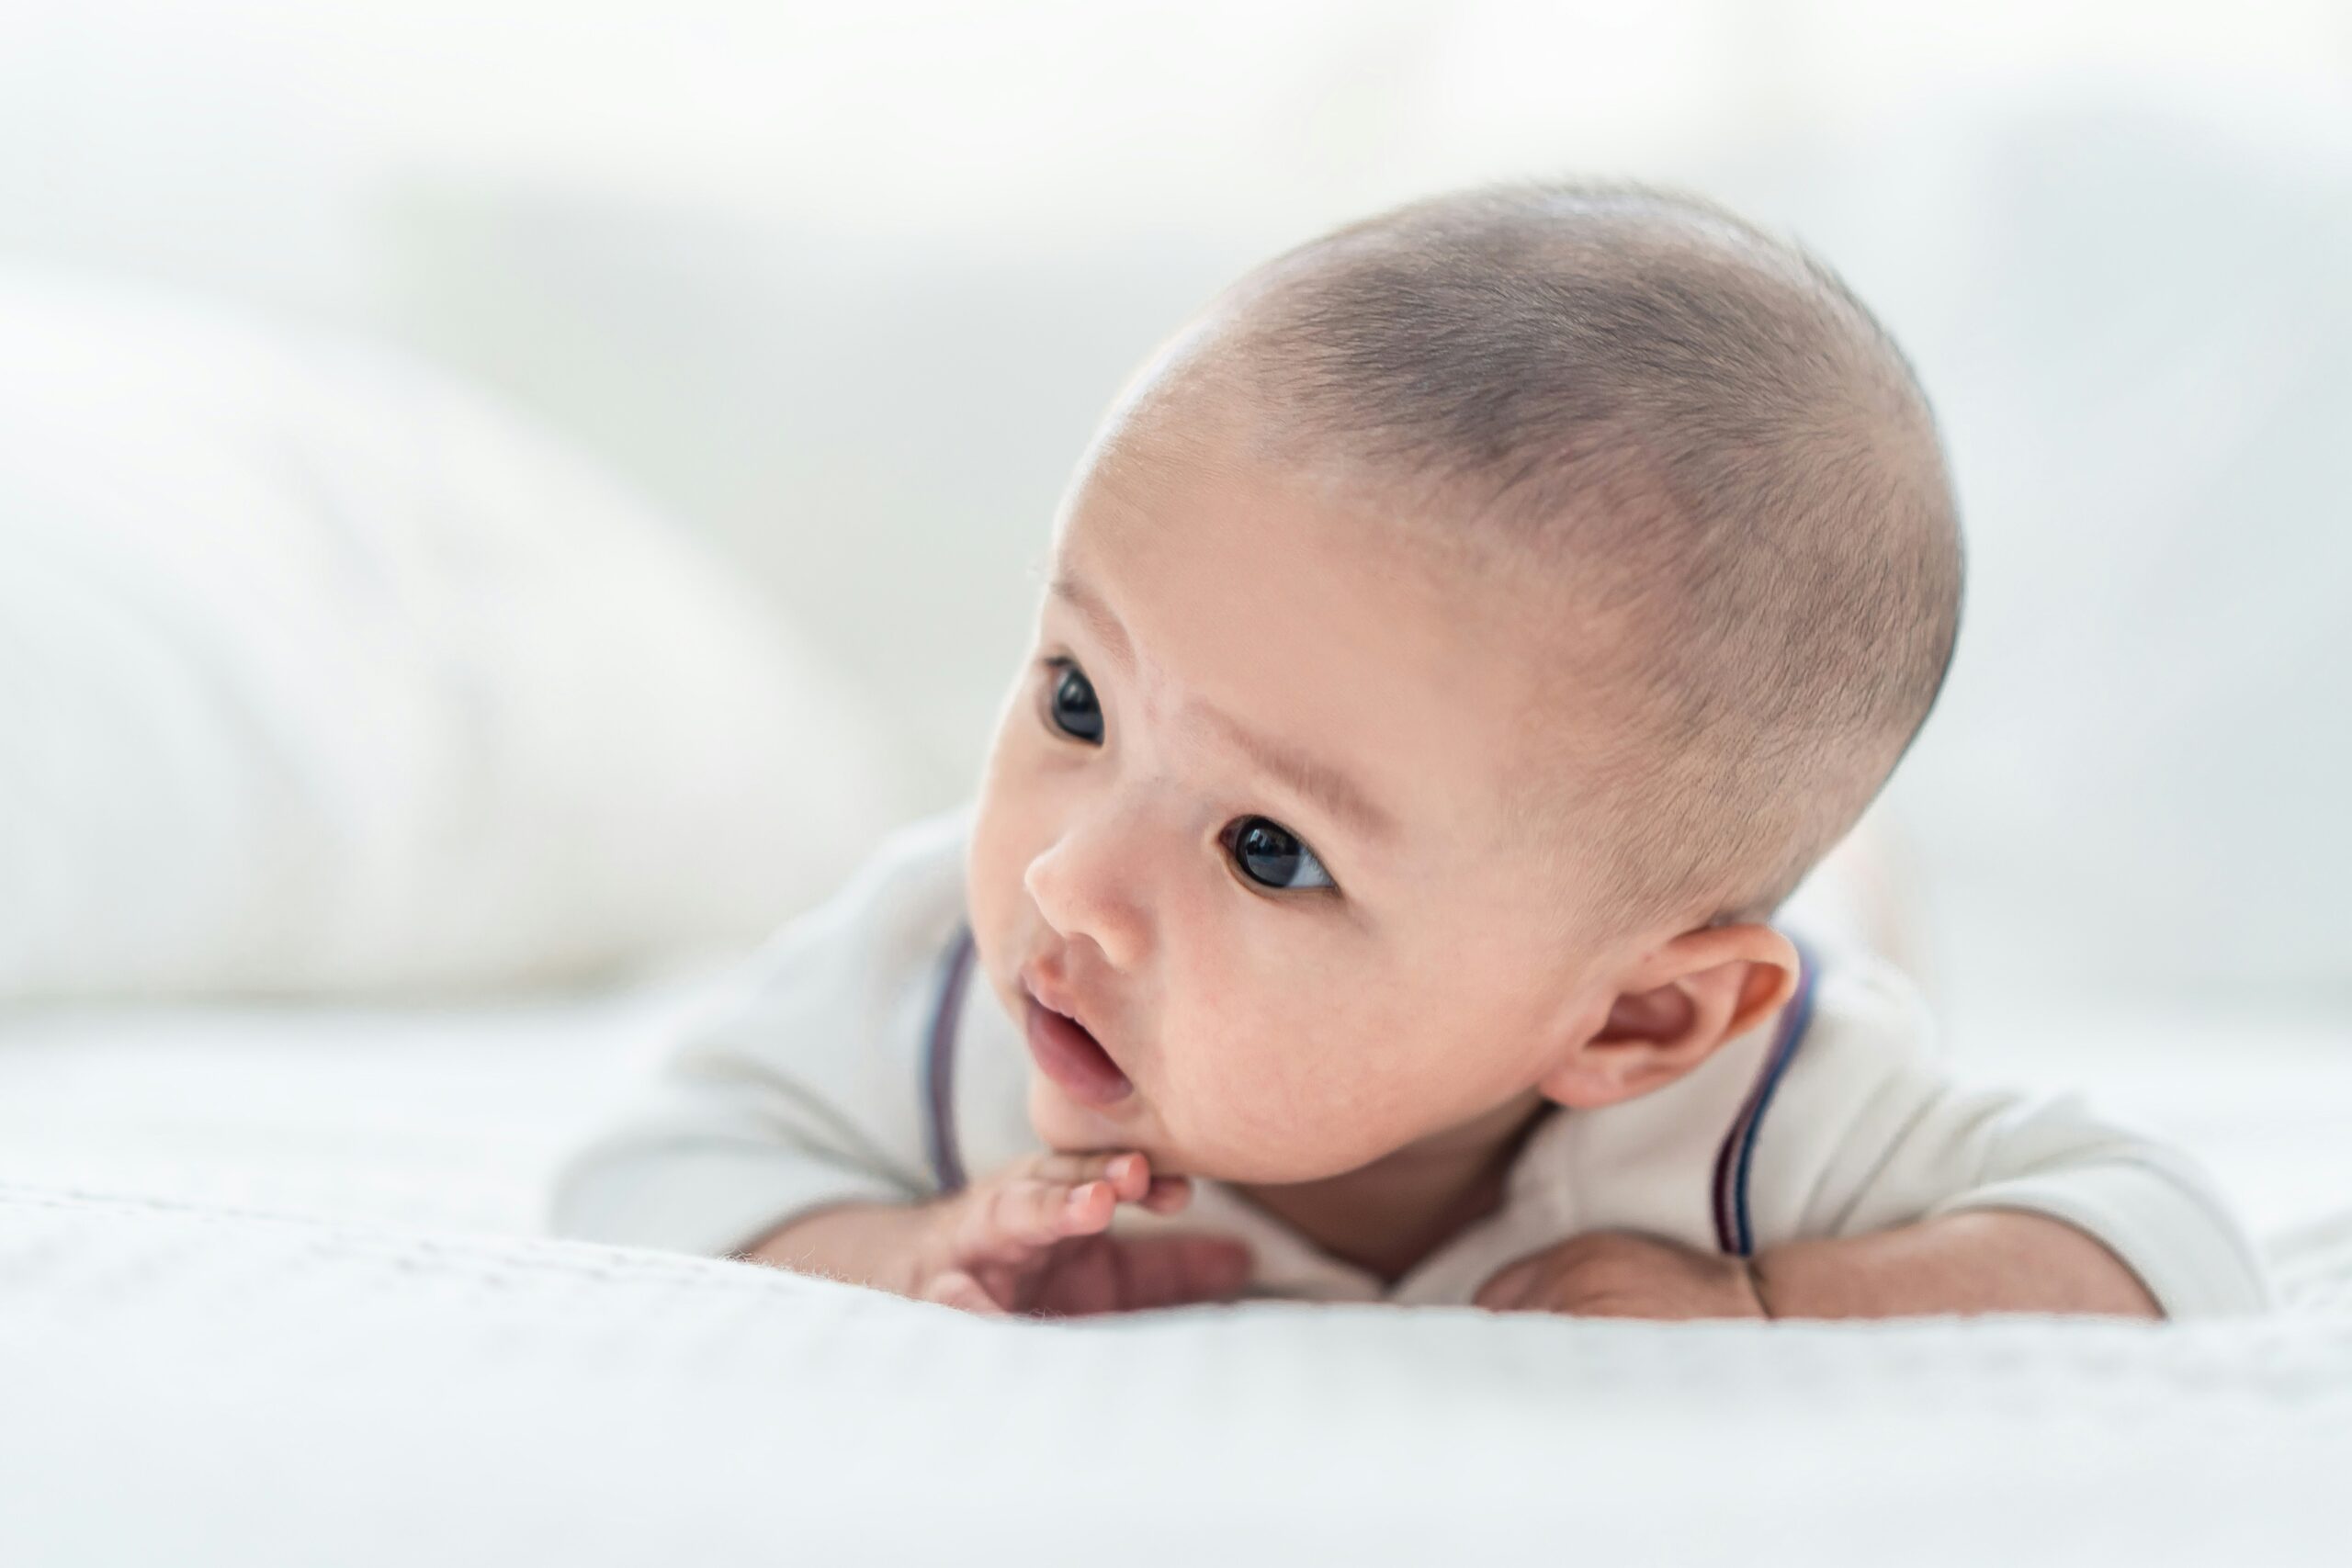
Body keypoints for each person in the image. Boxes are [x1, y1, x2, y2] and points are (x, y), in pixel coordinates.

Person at [555, 183, 2268, 1321]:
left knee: (1856, 924)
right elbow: (631, 1179)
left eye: (1267, 849)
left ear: (1637, 1021)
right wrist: (895, 1248)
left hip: (1778, 944)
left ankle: (1875, 885)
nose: (1073, 874)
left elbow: (2175, 1247)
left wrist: (1777, 1296)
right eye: (1080, 698)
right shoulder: (937, 970)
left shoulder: (1769, 1109)